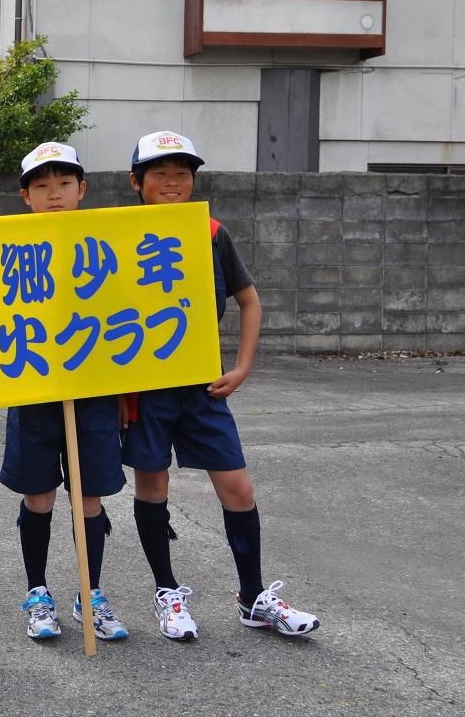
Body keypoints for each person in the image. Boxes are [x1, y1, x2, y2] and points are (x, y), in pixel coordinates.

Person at [123, 131, 320, 640]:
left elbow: (249, 301)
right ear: (136, 182)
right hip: (143, 389)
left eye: (182, 173)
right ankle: (167, 593)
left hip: (202, 387)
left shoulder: (211, 233)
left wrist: (242, 365)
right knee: (154, 485)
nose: (172, 182)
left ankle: (253, 597)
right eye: (160, 174)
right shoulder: (116, 237)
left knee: (237, 487)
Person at [1, 143, 131, 642]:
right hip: (33, 390)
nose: (53, 195)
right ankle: (38, 593)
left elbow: (126, 321)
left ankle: (90, 592)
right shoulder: (6, 246)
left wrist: (121, 390)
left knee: (90, 498)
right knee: (38, 496)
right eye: (41, 186)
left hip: (93, 392)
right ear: (25, 196)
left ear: (82, 189)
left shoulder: (106, 245)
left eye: (63, 184)